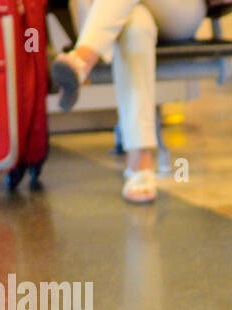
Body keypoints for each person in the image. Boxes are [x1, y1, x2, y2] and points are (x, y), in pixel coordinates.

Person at [52, 0, 208, 203]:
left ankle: (81, 60)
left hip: (177, 10)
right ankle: (139, 158)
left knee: (132, 21)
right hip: (104, 10)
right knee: (136, 27)